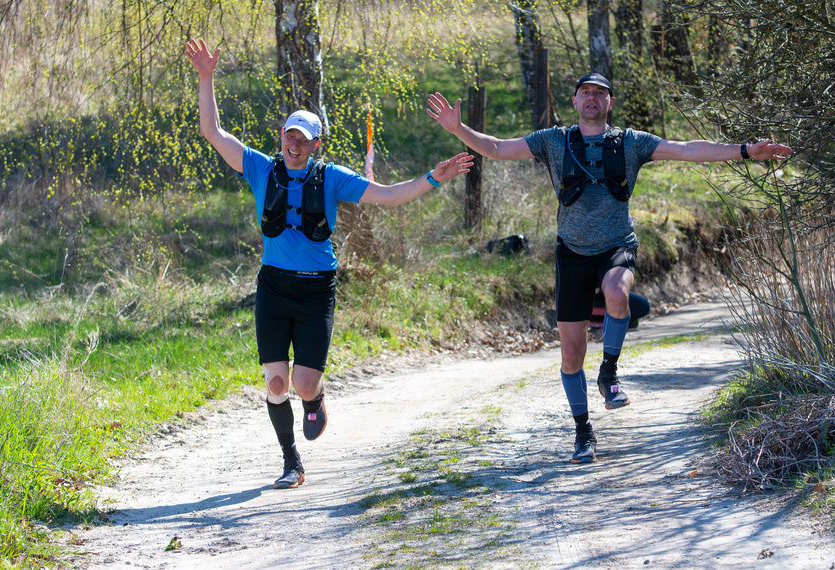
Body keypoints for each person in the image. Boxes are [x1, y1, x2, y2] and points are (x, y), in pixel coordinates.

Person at [426, 73, 792, 464]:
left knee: (618, 292)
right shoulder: (553, 140)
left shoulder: (632, 142)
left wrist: (745, 151)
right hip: (571, 253)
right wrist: (458, 128)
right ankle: (583, 432)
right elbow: (498, 147)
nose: (592, 98)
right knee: (571, 353)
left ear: (609, 103)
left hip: (617, 244)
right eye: (585, 92)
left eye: (600, 93)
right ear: (574, 101)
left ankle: (609, 373)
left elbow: (687, 149)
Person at [186, 38, 473, 488]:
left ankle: (315, 398)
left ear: (316, 144)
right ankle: (291, 462)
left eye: (302, 139)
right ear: (281, 136)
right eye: (289, 135)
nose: (293, 144)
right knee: (275, 383)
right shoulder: (260, 167)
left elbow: (389, 195)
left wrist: (434, 178)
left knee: (302, 384)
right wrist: (206, 78)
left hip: (316, 289)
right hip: (273, 286)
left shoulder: (331, 177)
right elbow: (213, 132)